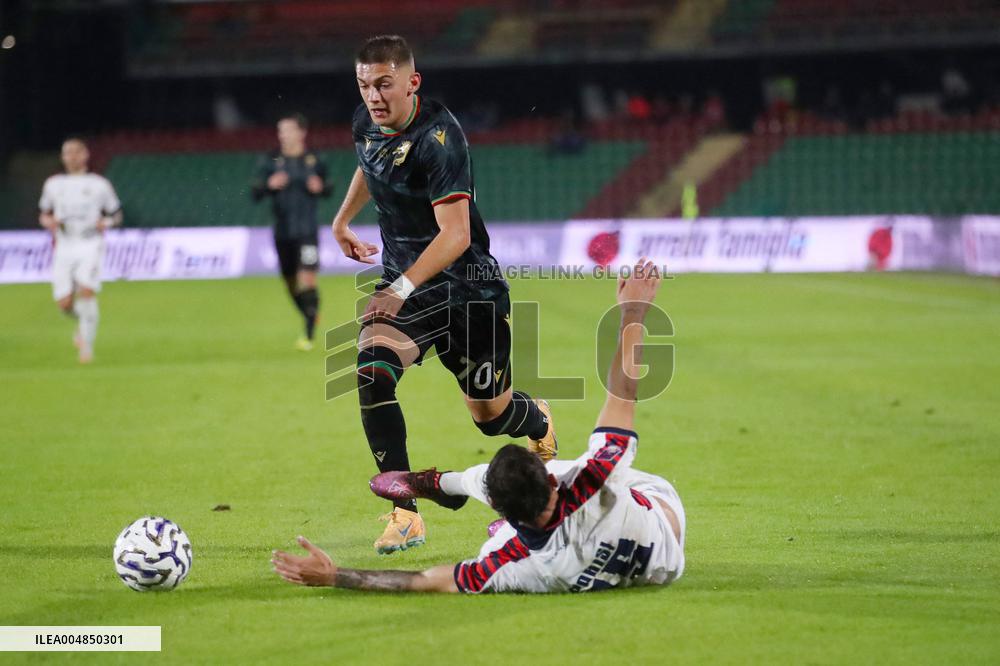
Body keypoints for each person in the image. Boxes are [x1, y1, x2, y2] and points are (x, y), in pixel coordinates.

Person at [272, 259, 686, 593]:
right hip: (661, 516)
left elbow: (426, 581)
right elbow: (623, 391)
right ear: (554, 481)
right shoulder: (595, 477)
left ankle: (434, 484)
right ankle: (434, 484)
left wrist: (334, 576)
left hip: (600, 548)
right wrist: (634, 311)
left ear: (505, 517)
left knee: (483, 481)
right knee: (497, 478)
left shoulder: (519, 564)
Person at [330, 34, 556, 555]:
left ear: (412, 82)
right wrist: (342, 220)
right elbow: (370, 162)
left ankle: (538, 418)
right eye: (364, 85)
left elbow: (455, 235)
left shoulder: (440, 138)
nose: (373, 96)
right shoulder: (366, 122)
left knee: (491, 418)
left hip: (469, 291)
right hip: (409, 290)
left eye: (384, 84)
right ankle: (405, 512)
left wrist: (402, 286)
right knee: (372, 372)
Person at [251, 112, 331, 351]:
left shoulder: (315, 160)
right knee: (291, 284)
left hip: (307, 232)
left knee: (307, 279)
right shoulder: (270, 161)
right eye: (280, 130)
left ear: (301, 132)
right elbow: (255, 192)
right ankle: (311, 313)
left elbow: (329, 188)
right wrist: (269, 185)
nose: (283, 135)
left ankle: (308, 333)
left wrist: (320, 187)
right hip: (282, 232)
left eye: (287, 130)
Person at [38, 137, 122, 364]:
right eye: (68, 152)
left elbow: (116, 214)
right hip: (64, 245)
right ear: (63, 157)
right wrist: (48, 222)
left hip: (90, 243)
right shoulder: (53, 184)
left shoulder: (99, 184)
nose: (73, 156)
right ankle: (84, 324)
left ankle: (87, 348)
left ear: (86, 155)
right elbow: (44, 213)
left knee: (86, 290)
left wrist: (107, 223)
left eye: (77, 152)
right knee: (65, 304)